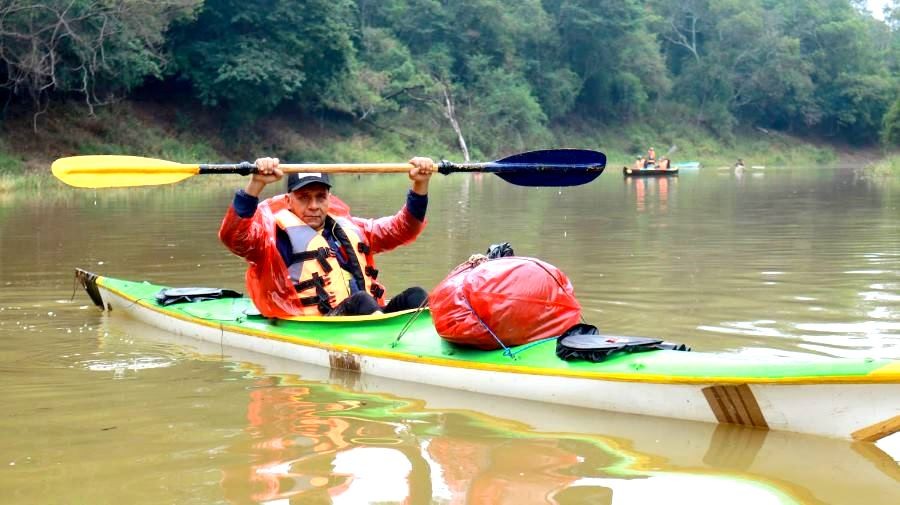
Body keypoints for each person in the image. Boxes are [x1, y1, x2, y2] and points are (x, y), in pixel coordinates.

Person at [219, 156, 434, 318]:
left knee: (416, 296)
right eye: (304, 197)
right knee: (361, 301)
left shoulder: (352, 228)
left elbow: (404, 228)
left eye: (320, 197)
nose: (313, 206)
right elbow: (235, 237)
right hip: (321, 323)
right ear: (288, 200)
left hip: (367, 314)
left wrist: (420, 184)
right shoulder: (275, 238)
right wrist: (256, 185)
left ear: (329, 198)